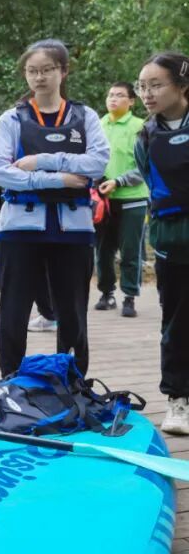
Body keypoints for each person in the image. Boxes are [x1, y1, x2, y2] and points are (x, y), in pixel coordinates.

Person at [0, 39, 109, 377]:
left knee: (73, 314)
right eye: (32, 71)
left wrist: (41, 161)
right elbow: (2, 172)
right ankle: (11, 382)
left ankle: (72, 383)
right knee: (13, 313)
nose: (39, 77)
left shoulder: (85, 116)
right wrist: (60, 179)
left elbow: (98, 162)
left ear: (63, 71)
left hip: (74, 230)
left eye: (47, 70)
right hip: (19, 229)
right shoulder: (11, 119)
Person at [133, 53, 189, 434]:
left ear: (182, 86)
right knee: (176, 324)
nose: (147, 94)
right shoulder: (145, 136)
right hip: (172, 240)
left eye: (156, 85)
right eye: (142, 86)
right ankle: (178, 400)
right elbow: (153, 186)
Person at [94, 81, 148, 319]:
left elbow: (146, 166)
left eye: (119, 95)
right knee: (102, 251)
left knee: (130, 251)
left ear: (131, 101)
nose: (113, 99)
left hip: (133, 199)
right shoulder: (98, 125)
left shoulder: (141, 127)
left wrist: (119, 181)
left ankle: (129, 296)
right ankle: (107, 294)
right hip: (103, 200)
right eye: (110, 95)